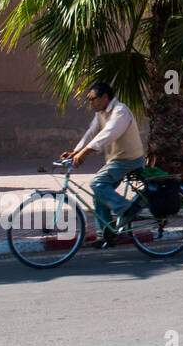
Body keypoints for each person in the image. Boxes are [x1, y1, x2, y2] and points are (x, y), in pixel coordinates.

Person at [62, 81, 146, 247]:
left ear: (105, 97)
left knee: (97, 183)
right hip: (116, 160)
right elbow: (91, 133)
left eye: (93, 99)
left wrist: (84, 153)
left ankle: (128, 209)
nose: (91, 102)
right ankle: (106, 236)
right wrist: (75, 152)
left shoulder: (120, 111)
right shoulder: (100, 114)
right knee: (99, 193)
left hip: (128, 160)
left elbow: (107, 134)